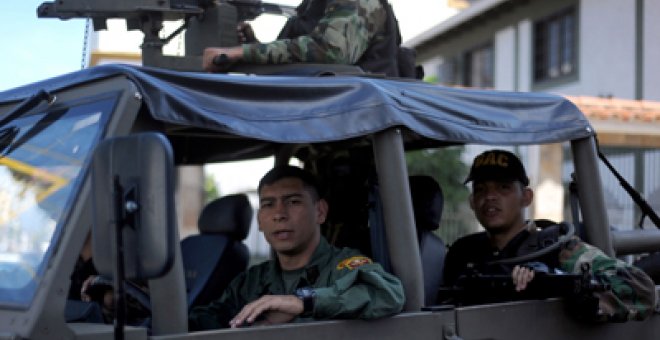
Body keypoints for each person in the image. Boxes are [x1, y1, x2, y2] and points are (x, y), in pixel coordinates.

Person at [442, 149, 656, 322]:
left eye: (503, 187)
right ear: (472, 202)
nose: (489, 197)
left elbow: (640, 287)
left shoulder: (554, 248)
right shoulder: (464, 253)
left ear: (526, 197)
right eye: (480, 189)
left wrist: (555, 281)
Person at [188, 165, 404, 330]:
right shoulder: (251, 282)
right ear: (261, 222)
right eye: (268, 205)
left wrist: (304, 302)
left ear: (320, 212)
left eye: (293, 202)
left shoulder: (343, 267)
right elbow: (211, 317)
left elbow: (388, 294)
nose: (279, 214)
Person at [202, 0, 416, 77]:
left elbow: (331, 51)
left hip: (361, 131)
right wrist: (253, 46)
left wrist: (242, 52)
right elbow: (300, 60)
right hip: (327, 130)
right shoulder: (313, 7)